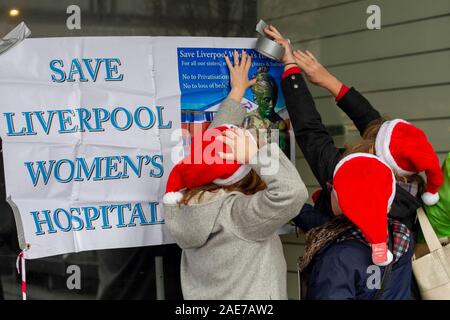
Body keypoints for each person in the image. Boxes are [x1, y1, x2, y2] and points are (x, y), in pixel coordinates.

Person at [263, 25, 443, 299]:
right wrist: (327, 80)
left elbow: (311, 132)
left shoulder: (350, 180)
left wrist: (291, 67)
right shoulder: (408, 191)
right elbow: (375, 126)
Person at [162, 50, 308, 299]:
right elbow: (292, 193)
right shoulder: (239, 215)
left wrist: (236, 94)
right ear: (244, 173)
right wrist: (256, 154)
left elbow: (213, 152)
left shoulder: (189, 203)